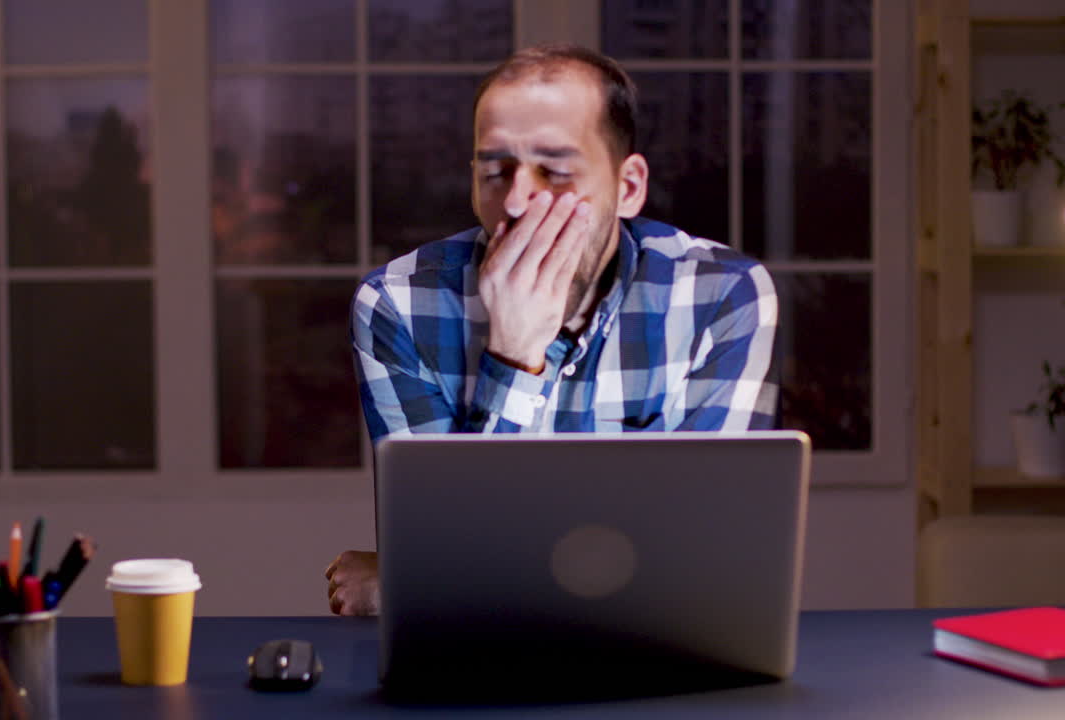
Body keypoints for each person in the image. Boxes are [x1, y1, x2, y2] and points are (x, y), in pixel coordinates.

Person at [326, 44, 778, 616]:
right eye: (495, 171)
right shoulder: (397, 305)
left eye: (555, 171)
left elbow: (709, 572)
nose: (515, 202)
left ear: (629, 186)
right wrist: (513, 356)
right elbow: (435, 562)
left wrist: (403, 582)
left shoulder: (723, 296)